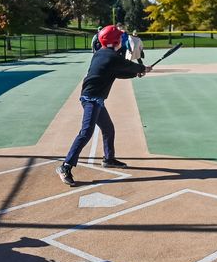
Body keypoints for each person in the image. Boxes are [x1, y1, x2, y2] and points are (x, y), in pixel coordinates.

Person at [56, 25, 153, 186]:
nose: (121, 39)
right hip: (91, 99)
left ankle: (109, 159)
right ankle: (65, 166)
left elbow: (117, 72)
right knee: (86, 132)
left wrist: (136, 73)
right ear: (114, 41)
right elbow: (127, 66)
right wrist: (142, 68)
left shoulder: (102, 54)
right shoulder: (111, 56)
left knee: (108, 128)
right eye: (119, 37)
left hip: (96, 98)